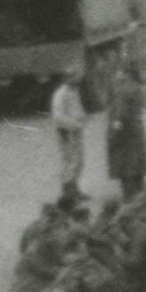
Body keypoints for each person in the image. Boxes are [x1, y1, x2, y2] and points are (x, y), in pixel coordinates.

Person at [108, 65, 146, 200]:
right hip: (137, 128)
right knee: (138, 159)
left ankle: (129, 194)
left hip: (124, 131)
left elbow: (120, 114)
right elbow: (143, 105)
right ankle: (140, 189)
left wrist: (114, 132)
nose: (116, 76)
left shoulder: (123, 90)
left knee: (124, 161)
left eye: (118, 73)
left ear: (126, 75)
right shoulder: (138, 88)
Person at [51, 70, 88, 202]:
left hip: (77, 131)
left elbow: (77, 108)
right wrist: (73, 125)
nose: (77, 80)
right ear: (67, 78)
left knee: (79, 160)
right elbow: (58, 116)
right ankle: (67, 192)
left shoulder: (74, 91)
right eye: (74, 77)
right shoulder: (60, 94)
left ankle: (75, 188)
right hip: (67, 132)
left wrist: (82, 118)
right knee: (69, 161)